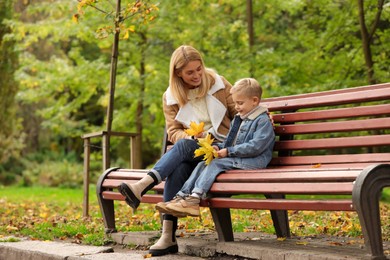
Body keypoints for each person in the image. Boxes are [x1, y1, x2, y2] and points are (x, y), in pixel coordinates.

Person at [118, 45, 237, 256]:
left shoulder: (218, 84)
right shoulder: (171, 96)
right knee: (180, 161)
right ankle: (167, 236)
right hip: (196, 148)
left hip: (222, 147)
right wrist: (192, 137)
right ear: (178, 73)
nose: (196, 75)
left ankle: (143, 187)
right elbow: (174, 131)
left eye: (198, 69)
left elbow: (238, 111)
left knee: (181, 152)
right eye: (190, 72)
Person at [157, 78, 275, 217]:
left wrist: (229, 152)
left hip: (255, 160)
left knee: (216, 163)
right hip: (239, 157)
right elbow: (229, 142)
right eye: (235, 102)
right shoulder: (239, 119)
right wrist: (218, 147)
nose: (236, 107)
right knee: (203, 163)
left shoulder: (262, 121)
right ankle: (182, 196)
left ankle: (195, 198)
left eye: (240, 103)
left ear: (255, 101)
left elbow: (256, 147)